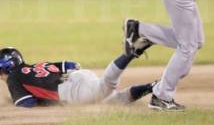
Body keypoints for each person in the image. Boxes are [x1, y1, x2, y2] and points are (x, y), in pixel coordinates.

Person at [0, 43, 154, 107]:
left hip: (74, 91)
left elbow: (26, 104)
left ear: (8, 67)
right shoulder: (36, 66)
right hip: (79, 77)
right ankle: (154, 86)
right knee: (115, 100)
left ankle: (132, 52)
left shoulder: (13, 78)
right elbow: (72, 65)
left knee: (107, 84)